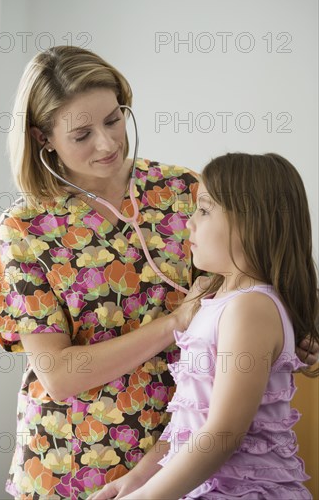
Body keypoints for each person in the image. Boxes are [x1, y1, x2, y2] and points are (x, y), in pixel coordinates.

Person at [0, 46, 318, 500]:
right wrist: (174, 324)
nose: (108, 143)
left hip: (187, 453)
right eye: (81, 134)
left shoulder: (182, 190)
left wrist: (297, 326)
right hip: (74, 457)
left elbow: (250, 277)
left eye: (114, 120)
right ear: (44, 139)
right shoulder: (23, 229)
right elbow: (58, 374)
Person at [89, 152, 319, 500]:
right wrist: (136, 481)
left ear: (251, 220)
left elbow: (222, 433)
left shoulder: (250, 309)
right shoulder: (219, 301)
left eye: (205, 209)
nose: (190, 223)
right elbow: (188, 424)